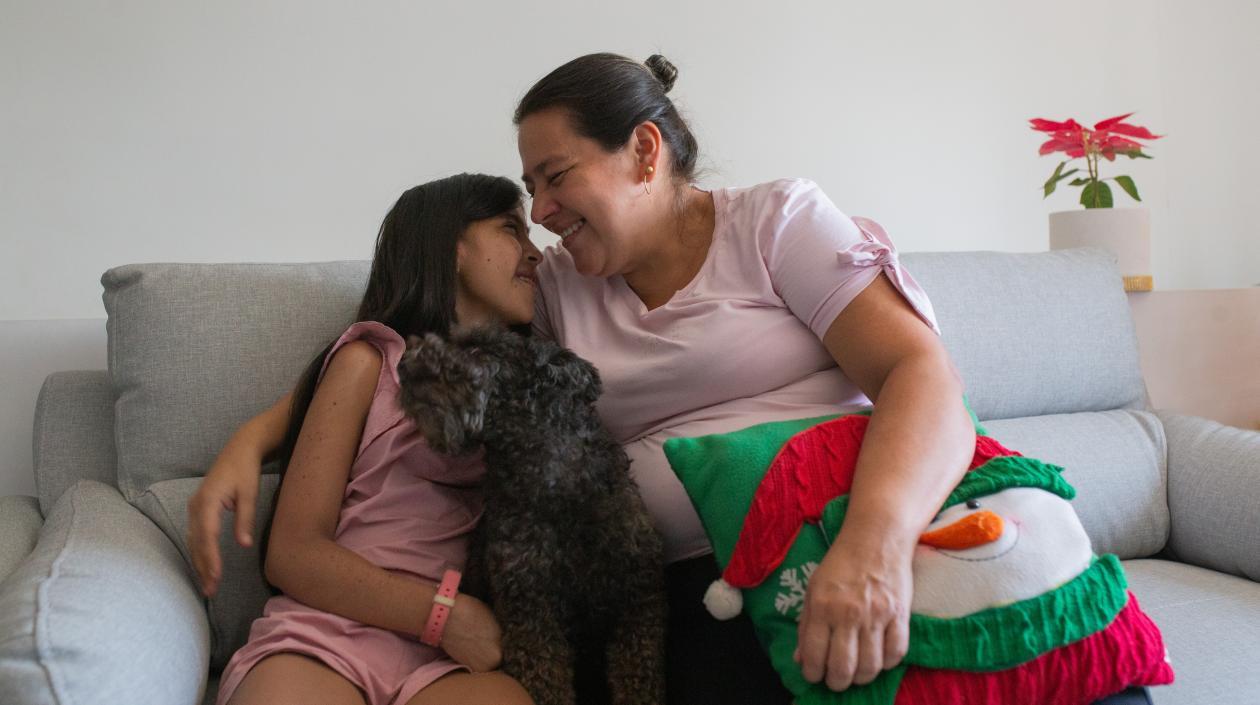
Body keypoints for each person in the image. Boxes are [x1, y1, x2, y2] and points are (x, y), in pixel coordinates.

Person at [191, 54, 1150, 705]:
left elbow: (922, 374)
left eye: (557, 177)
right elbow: (405, 340)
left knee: (1035, 651)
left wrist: (872, 546)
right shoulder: (555, 288)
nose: (542, 211)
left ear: (645, 151)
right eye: (528, 191)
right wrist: (259, 432)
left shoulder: (777, 225)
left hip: (858, 520)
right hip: (693, 587)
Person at [201, 173, 542, 705]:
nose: (534, 251)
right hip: (328, 637)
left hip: (450, 666)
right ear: (451, 247)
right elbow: (292, 553)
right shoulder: (370, 363)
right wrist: (442, 616)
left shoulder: (535, 381)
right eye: (510, 230)